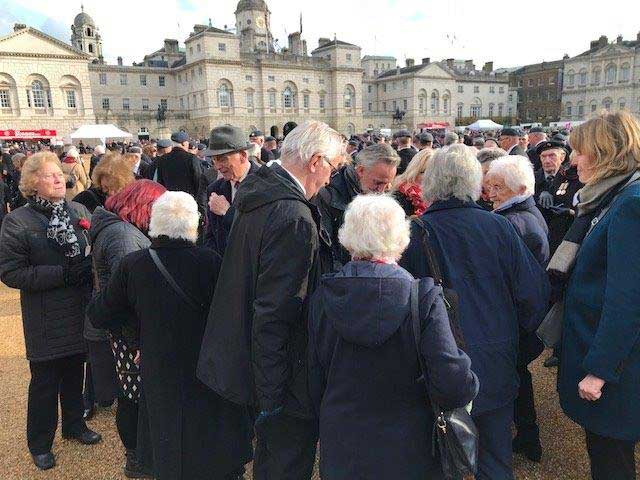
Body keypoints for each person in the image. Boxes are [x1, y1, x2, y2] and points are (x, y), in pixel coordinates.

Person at [197, 120, 344, 480]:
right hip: (285, 374)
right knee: (284, 463)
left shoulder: (262, 195)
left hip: (263, 363)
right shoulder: (292, 215)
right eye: (333, 168)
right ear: (315, 161)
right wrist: (272, 395)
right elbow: (275, 312)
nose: (329, 179)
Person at [400, 145, 549, 480]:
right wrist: (518, 344)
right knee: (494, 461)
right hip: (495, 359)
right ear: (475, 183)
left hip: (436, 363)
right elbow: (534, 295)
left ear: (430, 184)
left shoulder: (413, 234)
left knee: (436, 459)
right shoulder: (499, 227)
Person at [308, 194, 479, 480]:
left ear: (347, 238)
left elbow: (315, 378)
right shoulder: (422, 298)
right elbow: (452, 383)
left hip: (344, 444)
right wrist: (470, 382)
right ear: (401, 239)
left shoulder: (323, 298)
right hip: (411, 447)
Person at [88, 191, 252, 480]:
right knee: (210, 445)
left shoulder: (134, 265)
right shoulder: (210, 261)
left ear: (154, 223)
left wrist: (137, 332)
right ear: (196, 224)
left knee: (168, 446)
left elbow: (100, 313)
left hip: (160, 367)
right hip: (206, 366)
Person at [0, 152, 101, 471]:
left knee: (75, 370)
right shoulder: (18, 220)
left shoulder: (79, 209)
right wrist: (62, 274)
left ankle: (74, 425)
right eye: (49, 175)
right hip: (45, 314)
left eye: (59, 173)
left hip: (78, 308)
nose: (59, 178)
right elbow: (11, 272)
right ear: (32, 183)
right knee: (44, 381)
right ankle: (40, 443)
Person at [554, 111, 640, 480]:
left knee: (610, 459)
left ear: (606, 152)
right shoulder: (614, 195)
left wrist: (599, 371)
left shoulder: (630, 204)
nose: (572, 161)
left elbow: (627, 298)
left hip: (618, 368)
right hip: (613, 357)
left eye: (579, 152)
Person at [88, 179, 166, 478]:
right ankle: (136, 459)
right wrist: (139, 344)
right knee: (133, 396)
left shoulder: (119, 229)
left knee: (132, 394)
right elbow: (130, 298)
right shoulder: (124, 236)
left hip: (123, 330)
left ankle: (138, 455)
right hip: (129, 334)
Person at [486, 155, 549, 462]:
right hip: (524, 318)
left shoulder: (512, 222)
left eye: (499, 187)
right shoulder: (525, 213)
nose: (491, 194)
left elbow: (516, 282)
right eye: (491, 186)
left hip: (516, 320)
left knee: (513, 380)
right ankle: (527, 436)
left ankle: (524, 437)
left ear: (520, 188)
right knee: (520, 378)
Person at [315, 143, 399, 272]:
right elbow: (326, 253)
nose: (381, 190)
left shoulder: (375, 192)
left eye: (387, 184)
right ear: (360, 170)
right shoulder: (328, 196)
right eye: (378, 183)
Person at [203, 126, 261, 257]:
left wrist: (227, 212)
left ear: (243, 156)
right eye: (214, 160)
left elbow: (261, 233)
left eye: (223, 159)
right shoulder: (215, 189)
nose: (217, 167)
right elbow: (211, 236)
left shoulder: (265, 184)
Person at [533, 140, 583, 255]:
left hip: (565, 238)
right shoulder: (532, 179)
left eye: (552, 156)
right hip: (540, 238)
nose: (547, 160)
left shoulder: (575, 178)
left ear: (562, 157)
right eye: (543, 156)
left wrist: (570, 212)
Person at [155, 132, 202, 206]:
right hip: (188, 201)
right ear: (184, 143)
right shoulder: (191, 158)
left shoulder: (162, 159)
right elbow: (198, 179)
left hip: (169, 201)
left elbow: (160, 182)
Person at [391, 147, 433, 217]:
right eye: (423, 172)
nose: (429, 177)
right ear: (414, 172)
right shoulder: (400, 195)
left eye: (433, 173)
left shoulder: (439, 198)